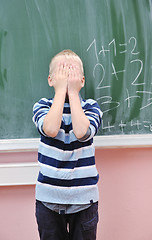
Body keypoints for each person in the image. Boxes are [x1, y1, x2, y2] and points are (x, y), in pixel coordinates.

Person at [32, 49, 103, 240]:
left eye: (71, 73)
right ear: (50, 80)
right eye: (62, 72)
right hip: (48, 199)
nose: (66, 76)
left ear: (82, 81)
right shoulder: (42, 106)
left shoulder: (91, 107)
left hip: (84, 200)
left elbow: (82, 133)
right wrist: (60, 91)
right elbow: (51, 129)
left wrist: (72, 93)